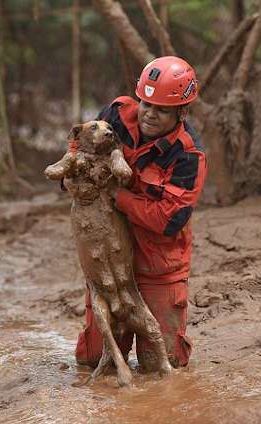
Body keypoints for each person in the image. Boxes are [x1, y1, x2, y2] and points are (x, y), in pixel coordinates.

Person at [74, 56, 207, 371]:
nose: (149, 114)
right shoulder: (115, 116)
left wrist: (117, 195)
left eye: (162, 109)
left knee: (161, 364)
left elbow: (168, 220)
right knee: (95, 362)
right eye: (146, 103)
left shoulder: (188, 156)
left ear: (182, 112)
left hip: (159, 267)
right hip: (109, 259)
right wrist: (73, 170)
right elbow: (80, 147)